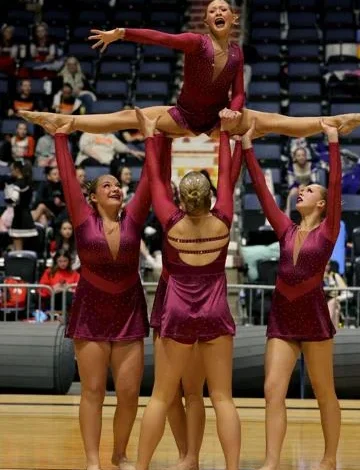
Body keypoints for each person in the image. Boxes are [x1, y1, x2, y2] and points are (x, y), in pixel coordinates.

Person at [19, 0, 360, 140]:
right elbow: (160, 38)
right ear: (207, 19)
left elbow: (238, 90)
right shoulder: (194, 42)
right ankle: (64, 121)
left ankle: (333, 122)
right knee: (130, 115)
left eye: (225, 8)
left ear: (233, 18)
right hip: (184, 115)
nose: (219, 11)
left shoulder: (236, 53)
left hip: (220, 119)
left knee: (276, 121)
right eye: (213, 9)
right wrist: (123, 33)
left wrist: (233, 112)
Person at [133, 108, 241, 470]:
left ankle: (143, 465)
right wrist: (227, 136)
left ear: (181, 198)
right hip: (215, 309)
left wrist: (151, 137)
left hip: (177, 310)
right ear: (210, 195)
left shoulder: (171, 221)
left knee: (162, 396)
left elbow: (153, 179)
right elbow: (228, 176)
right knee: (223, 397)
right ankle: (231, 467)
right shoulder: (223, 218)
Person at [52, 118, 162, 470]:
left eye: (117, 184)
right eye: (107, 184)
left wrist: (149, 138)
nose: (115, 188)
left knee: (129, 394)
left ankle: (119, 453)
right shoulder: (83, 219)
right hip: (91, 312)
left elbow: (149, 179)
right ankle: (93, 460)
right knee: (93, 392)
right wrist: (59, 135)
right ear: (93, 195)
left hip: (128, 312)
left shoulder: (133, 218)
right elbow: (69, 178)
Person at [243, 119, 342, 470]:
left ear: (322, 204)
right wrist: (248, 147)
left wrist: (332, 141)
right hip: (283, 316)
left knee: (323, 390)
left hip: (313, 316)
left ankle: (329, 458)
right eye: (302, 189)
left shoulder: (329, 229)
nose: (302, 191)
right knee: (273, 389)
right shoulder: (285, 230)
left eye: (311, 191)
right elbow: (263, 193)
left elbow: (334, 183)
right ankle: (271, 460)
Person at [6, 160, 38, 250]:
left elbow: (13, 199)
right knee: (28, 250)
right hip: (27, 217)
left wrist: (8, 197)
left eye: (12, 170)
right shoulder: (28, 182)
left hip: (19, 219)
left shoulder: (17, 184)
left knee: (18, 251)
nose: (10, 172)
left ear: (17, 170)